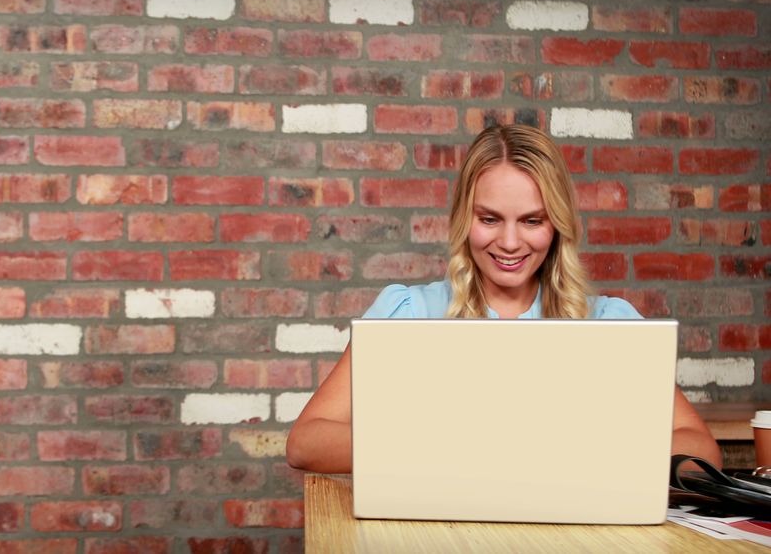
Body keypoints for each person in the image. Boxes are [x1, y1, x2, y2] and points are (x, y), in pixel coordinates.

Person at [285, 124, 722, 474]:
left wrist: (575, 450)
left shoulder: (610, 323)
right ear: (464, 220)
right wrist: (461, 445)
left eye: (532, 220)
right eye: (490, 218)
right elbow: (307, 442)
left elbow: (700, 448)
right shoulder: (410, 314)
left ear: (557, 226)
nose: (509, 243)